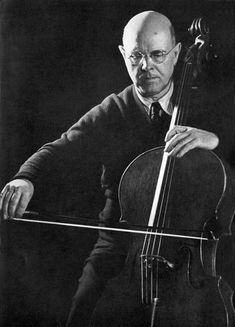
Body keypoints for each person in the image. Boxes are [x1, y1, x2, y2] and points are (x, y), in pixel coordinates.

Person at [0, 11, 233, 327]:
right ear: (124, 55)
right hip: (119, 251)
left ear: (177, 54)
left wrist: (216, 140)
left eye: (157, 55)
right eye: (136, 56)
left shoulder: (207, 107)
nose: (145, 66)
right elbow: (59, 149)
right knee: (81, 315)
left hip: (190, 253)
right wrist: (24, 178)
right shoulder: (114, 110)